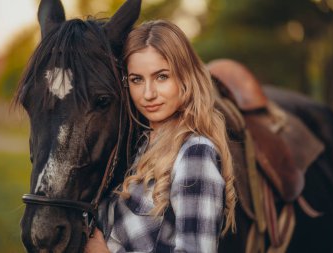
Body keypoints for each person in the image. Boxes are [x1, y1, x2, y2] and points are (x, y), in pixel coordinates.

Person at [85, 20, 236, 253]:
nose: (148, 94)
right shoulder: (140, 144)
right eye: (137, 79)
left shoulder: (195, 152)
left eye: (162, 77)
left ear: (184, 77)